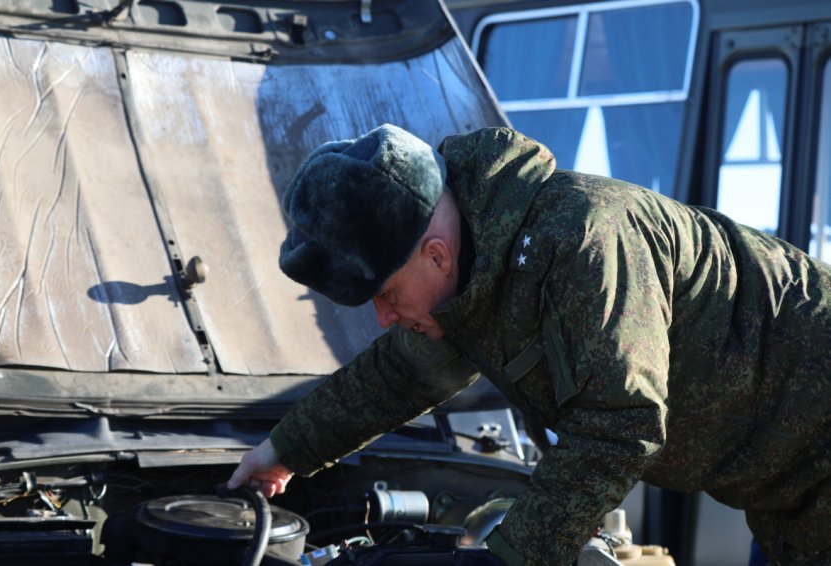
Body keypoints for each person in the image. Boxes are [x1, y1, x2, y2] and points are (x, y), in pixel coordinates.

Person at [228, 124, 831, 565]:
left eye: (384, 294)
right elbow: (401, 375)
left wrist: (506, 558)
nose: (385, 318)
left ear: (435, 254)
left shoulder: (583, 240)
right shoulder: (477, 268)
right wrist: (282, 451)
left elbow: (619, 429)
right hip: (785, 498)